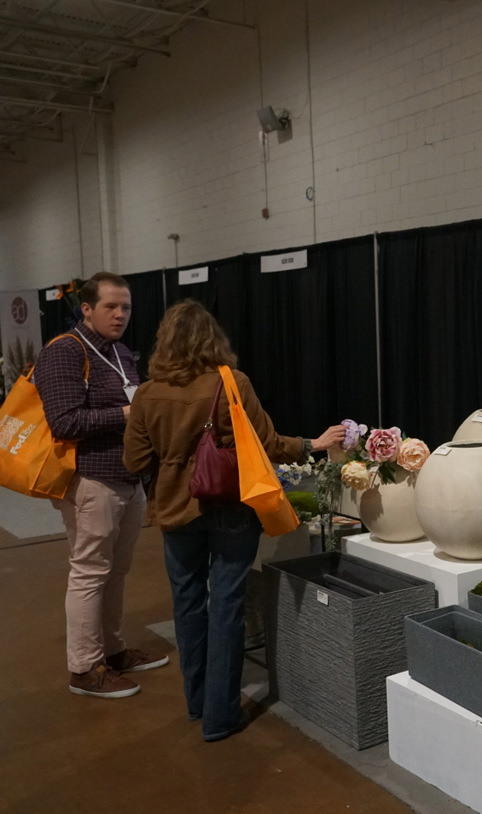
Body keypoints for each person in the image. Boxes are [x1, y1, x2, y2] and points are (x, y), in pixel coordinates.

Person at [123, 299, 345, 741]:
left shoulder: (147, 394)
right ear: (212, 339)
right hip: (230, 507)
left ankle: (196, 702)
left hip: (175, 510)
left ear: (164, 341)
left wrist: (172, 457)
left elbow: (134, 462)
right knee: (226, 605)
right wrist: (312, 444)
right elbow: (267, 444)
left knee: (187, 604)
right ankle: (220, 715)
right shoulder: (231, 382)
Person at [34, 271, 167, 699]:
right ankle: (84, 669)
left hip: (129, 478)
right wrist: (126, 414)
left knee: (117, 572)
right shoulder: (64, 351)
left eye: (126, 307)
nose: (120, 314)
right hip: (91, 480)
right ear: (87, 308)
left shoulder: (121, 352)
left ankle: (112, 651)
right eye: (110, 306)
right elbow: (64, 422)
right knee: (90, 573)